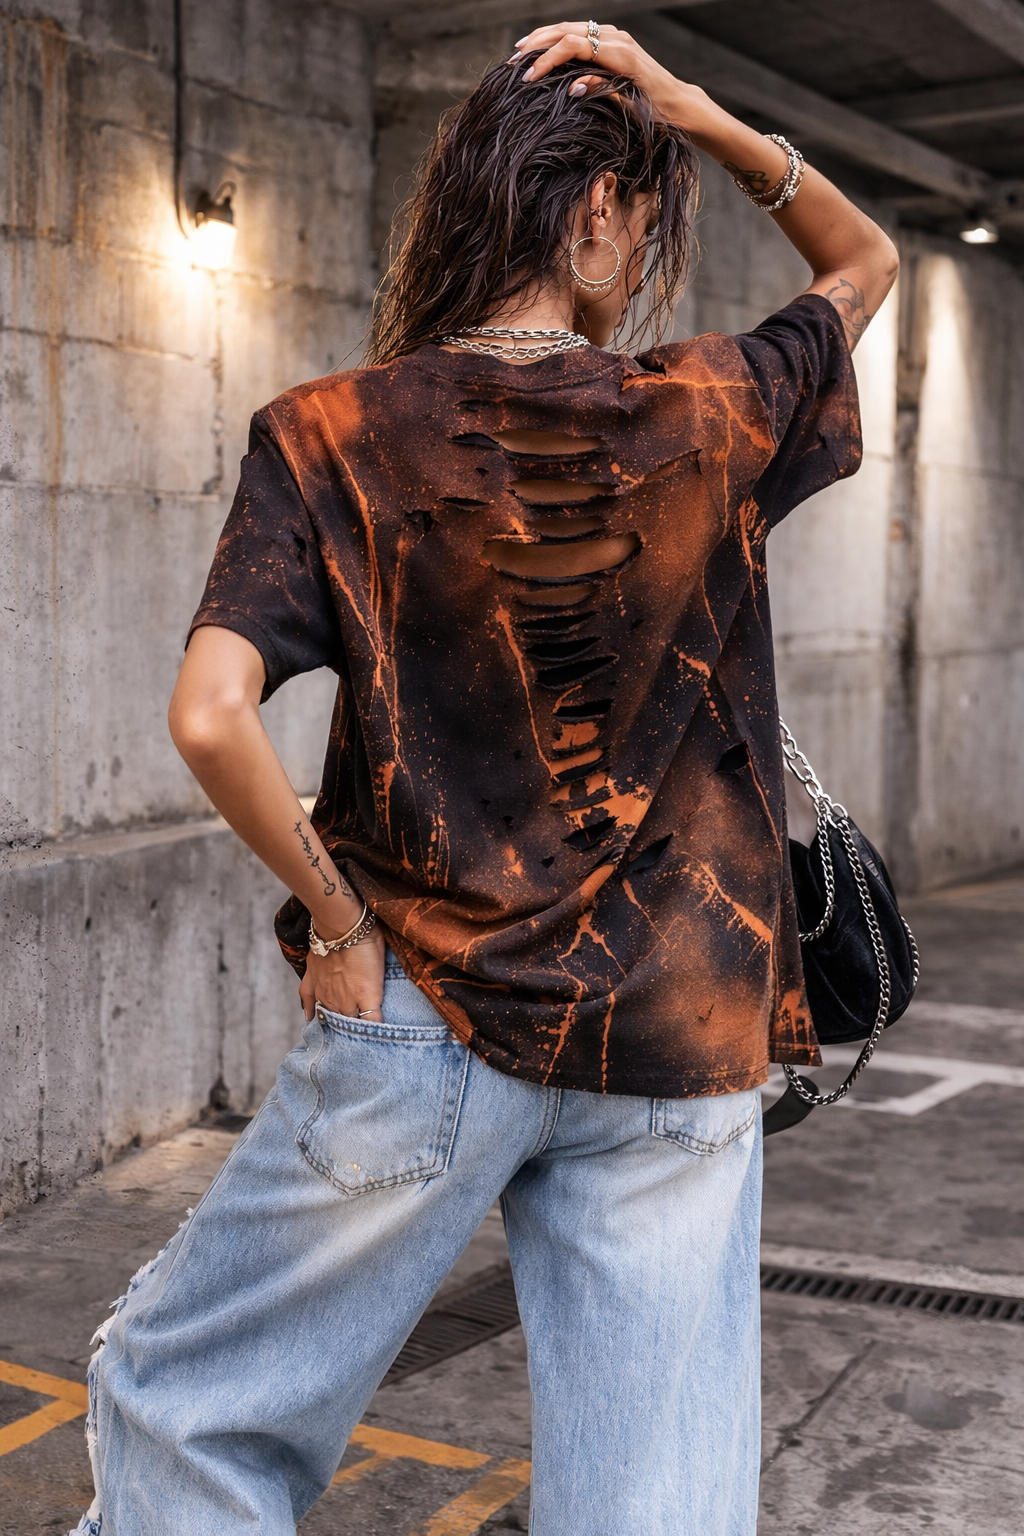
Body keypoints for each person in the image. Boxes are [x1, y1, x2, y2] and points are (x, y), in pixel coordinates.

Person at [71, 21, 897, 1536]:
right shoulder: (715, 408)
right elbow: (866, 261)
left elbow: (209, 716)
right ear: (601, 211)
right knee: (654, 1505)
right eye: (640, 223)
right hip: (680, 1030)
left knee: (188, 1408)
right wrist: (700, 113)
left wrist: (337, 921)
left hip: (425, 1019)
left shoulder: (330, 432)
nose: (637, 261)